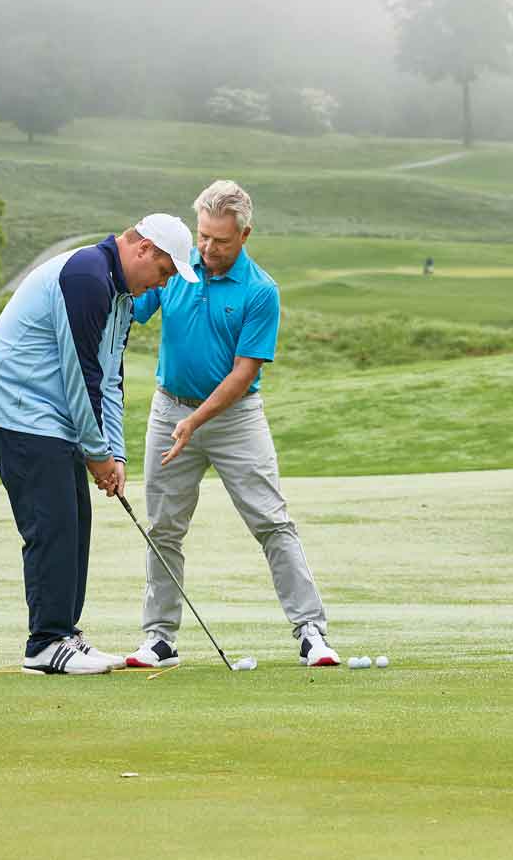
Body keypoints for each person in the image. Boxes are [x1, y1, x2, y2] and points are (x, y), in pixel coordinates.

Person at [0, 215, 197, 675]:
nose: (163, 284)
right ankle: (44, 644)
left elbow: (111, 378)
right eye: (165, 271)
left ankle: (64, 634)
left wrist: (115, 454)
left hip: (49, 414)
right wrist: (97, 455)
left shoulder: (122, 296)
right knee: (52, 524)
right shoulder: (86, 277)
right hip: (16, 406)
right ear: (144, 249)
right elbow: (80, 374)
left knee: (75, 521)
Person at [124, 181, 341, 669]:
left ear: (245, 235)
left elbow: (245, 373)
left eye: (220, 241)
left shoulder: (261, 290)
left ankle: (311, 632)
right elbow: (131, 304)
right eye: (203, 236)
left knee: (271, 521)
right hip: (168, 409)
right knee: (163, 528)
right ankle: (159, 639)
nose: (207, 249)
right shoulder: (178, 270)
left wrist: (195, 422)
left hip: (234, 419)